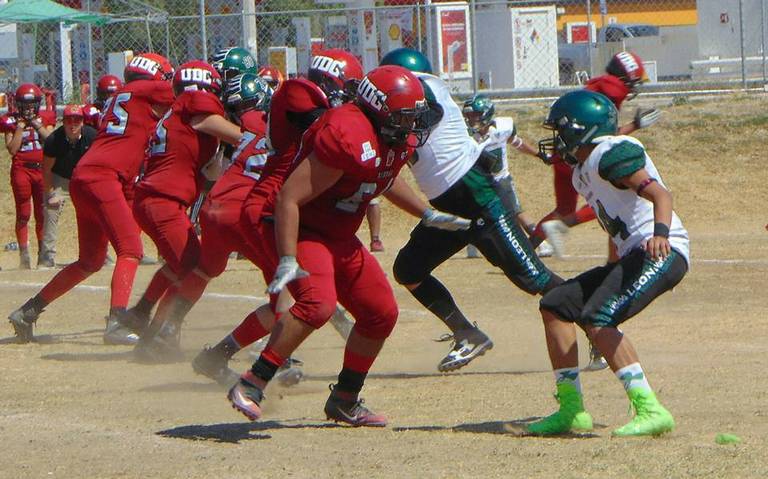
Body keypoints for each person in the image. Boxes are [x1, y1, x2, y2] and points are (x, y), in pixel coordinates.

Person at [227, 65, 468, 426]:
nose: (412, 125)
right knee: (316, 304)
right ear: (379, 109)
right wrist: (288, 257)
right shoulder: (348, 133)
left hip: (337, 232)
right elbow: (289, 199)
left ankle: (344, 399)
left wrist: (426, 213)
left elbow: (384, 177)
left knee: (380, 312)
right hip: (301, 226)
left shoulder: (388, 137)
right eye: (405, 116)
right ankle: (252, 382)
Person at [380, 48, 563, 372]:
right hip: (448, 204)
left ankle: (596, 322)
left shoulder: (426, 87)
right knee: (409, 269)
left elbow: (424, 116)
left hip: (476, 197)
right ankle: (467, 333)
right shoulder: (405, 102)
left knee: (532, 276)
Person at [193, 50, 367, 385]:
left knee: (293, 295)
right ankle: (268, 359)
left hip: (258, 207)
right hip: (265, 210)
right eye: (343, 87)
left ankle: (219, 356)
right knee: (298, 297)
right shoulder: (302, 108)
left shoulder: (278, 113)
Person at [527, 90, 688, 437]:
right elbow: (610, 209)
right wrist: (567, 223)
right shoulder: (584, 170)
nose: (557, 139)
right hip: (635, 253)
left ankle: (651, 408)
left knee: (598, 318)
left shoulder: (610, 155)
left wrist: (661, 233)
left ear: (580, 130)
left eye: (562, 130)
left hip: (662, 250)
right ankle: (571, 410)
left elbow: (660, 193)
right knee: (556, 305)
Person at [7, 53, 176, 345]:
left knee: (90, 261)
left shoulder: (124, 95)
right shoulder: (150, 90)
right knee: (131, 250)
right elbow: (185, 92)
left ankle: (28, 311)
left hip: (85, 177)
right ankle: (117, 322)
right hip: (103, 178)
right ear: (155, 77)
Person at [129, 60, 244, 361]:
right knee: (194, 267)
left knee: (186, 263)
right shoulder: (195, 101)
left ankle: (143, 316)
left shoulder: (178, 111)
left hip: (159, 199)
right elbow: (215, 126)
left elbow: (209, 174)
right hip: (161, 200)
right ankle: (156, 336)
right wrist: (257, 141)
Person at [531, 51, 661, 259]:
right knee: (609, 204)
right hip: (579, 155)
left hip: (565, 152)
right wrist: (634, 125)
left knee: (565, 207)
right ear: (624, 77)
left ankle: (528, 251)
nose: (633, 87)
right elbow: (602, 139)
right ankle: (566, 230)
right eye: (633, 81)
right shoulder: (613, 90)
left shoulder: (599, 86)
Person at [461, 94, 554, 259]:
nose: (470, 119)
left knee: (514, 210)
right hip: (479, 181)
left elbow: (517, 143)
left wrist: (539, 154)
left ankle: (539, 242)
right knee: (473, 211)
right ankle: (472, 242)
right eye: (468, 115)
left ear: (486, 114)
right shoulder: (465, 136)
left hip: (500, 178)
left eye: (474, 114)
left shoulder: (503, 127)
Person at [1, 83, 56, 268]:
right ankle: (24, 254)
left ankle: (43, 253)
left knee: (42, 213)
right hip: (21, 168)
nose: (29, 108)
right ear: (18, 105)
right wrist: (20, 127)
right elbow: (12, 149)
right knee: (23, 212)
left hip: (42, 169)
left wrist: (35, 125)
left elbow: (51, 141)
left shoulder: (44, 118)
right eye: (25, 105)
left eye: (32, 104)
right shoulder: (11, 121)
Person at [38, 105, 98, 267]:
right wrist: (50, 193)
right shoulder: (53, 140)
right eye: (69, 120)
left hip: (84, 178)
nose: (73, 124)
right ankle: (47, 257)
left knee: (98, 211)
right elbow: (47, 169)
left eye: (77, 120)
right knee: (51, 210)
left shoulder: (92, 136)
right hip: (61, 177)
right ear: (62, 122)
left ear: (83, 122)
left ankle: (101, 255)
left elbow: (98, 163)